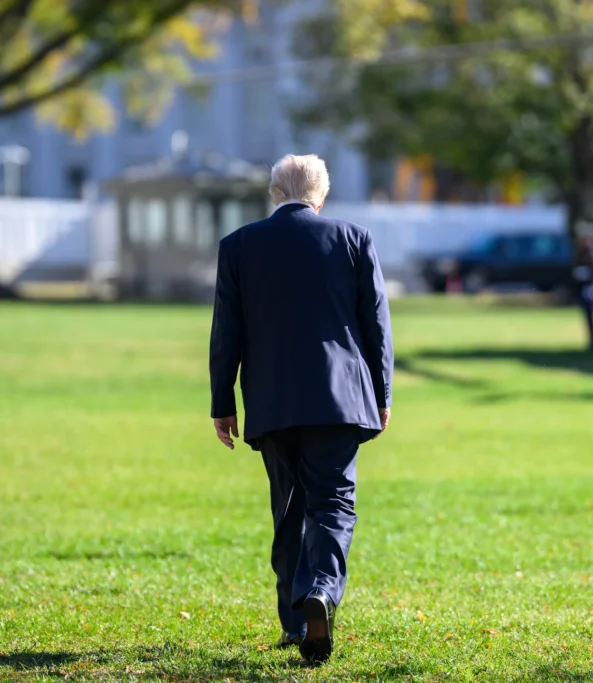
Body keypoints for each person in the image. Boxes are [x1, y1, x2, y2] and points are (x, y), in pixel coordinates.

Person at [208, 154, 394, 664]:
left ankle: (294, 622)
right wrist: (382, 395)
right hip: (338, 398)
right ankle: (321, 592)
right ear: (322, 195)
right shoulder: (353, 239)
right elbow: (375, 326)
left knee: (288, 509)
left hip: (271, 400)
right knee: (333, 504)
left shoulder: (239, 246)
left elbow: (227, 332)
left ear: (274, 194)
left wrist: (222, 402)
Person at [573, 233, 593, 352]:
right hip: (584, 290)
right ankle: (591, 341)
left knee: (591, 317)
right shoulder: (580, 256)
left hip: (589, 291)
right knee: (588, 317)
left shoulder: (590, 256)